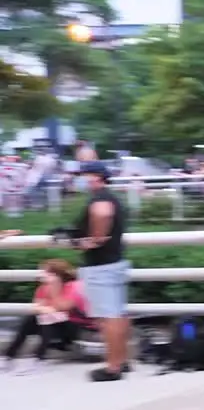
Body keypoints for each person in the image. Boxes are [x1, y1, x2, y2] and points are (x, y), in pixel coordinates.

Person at [72, 161, 131, 382]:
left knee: (108, 318)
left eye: (83, 175)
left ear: (96, 176)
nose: (81, 179)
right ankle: (122, 361)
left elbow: (103, 214)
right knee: (118, 314)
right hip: (115, 262)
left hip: (100, 266)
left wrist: (93, 240)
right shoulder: (112, 197)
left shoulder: (101, 199)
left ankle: (112, 368)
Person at [3, 259, 91, 372]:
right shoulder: (43, 288)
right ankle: (9, 357)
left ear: (57, 274)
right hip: (52, 323)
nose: (42, 274)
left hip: (74, 326)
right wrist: (48, 309)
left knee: (47, 319)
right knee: (32, 320)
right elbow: (36, 308)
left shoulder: (73, 286)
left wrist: (54, 289)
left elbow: (64, 307)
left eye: (45, 272)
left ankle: (39, 359)